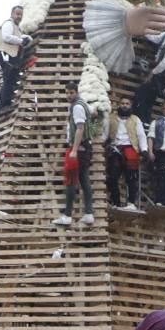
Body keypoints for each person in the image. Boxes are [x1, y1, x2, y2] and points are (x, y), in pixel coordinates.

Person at [57, 91, 97, 228]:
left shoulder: (77, 107)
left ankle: (67, 216)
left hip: (78, 148)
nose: (68, 95)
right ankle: (89, 214)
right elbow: (95, 113)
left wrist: (74, 149)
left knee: (71, 180)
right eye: (67, 93)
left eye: (71, 93)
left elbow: (79, 129)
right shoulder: (84, 104)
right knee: (84, 179)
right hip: (86, 147)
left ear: (76, 93)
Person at [104, 97, 147, 213]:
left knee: (131, 178)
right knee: (113, 177)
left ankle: (131, 203)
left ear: (130, 106)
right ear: (119, 105)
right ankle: (116, 202)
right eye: (122, 103)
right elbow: (105, 134)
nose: (124, 105)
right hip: (115, 149)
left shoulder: (135, 119)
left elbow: (141, 136)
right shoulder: (111, 118)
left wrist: (144, 150)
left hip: (131, 149)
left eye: (127, 104)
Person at [0, 5, 32, 115]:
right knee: (9, 80)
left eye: (21, 14)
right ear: (12, 14)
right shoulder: (8, 24)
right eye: (17, 14)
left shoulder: (16, 27)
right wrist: (21, 41)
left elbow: (17, 36)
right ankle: (5, 105)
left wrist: (25, 38)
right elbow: (7, 37)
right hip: (6, 54)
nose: (19, 16)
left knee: (8, 79)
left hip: (10, 54)